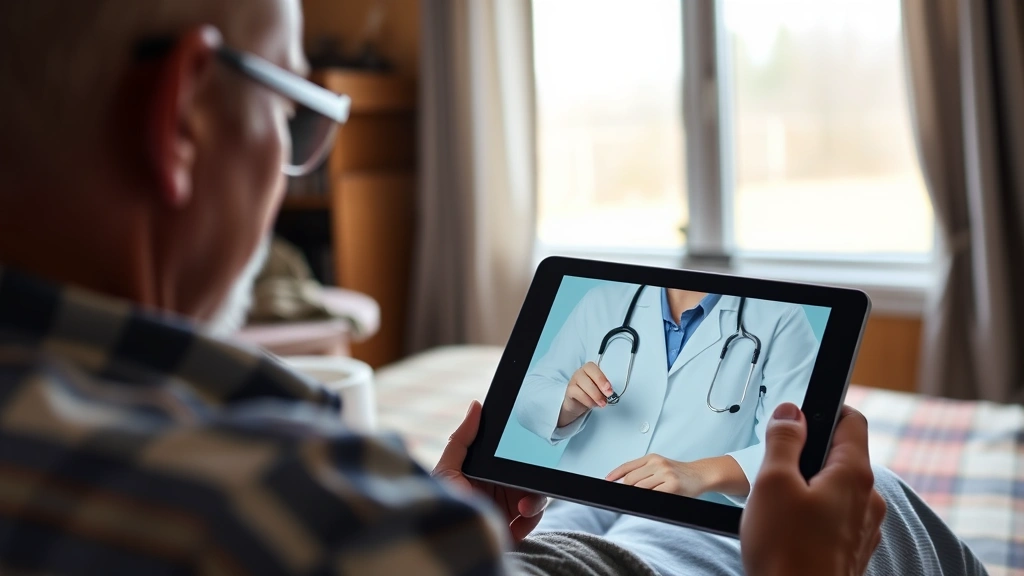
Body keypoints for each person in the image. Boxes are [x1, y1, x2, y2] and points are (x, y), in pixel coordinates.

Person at [0, 0, 986, 574]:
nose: (291, 167)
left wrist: (426, 514)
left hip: (529, 535)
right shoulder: (286, 509)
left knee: (590, 505)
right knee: (881, 501)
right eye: (297, 113)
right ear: (185, 121)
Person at [516, 283, 818, 504]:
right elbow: (529, 396)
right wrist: (567, 403)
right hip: (575, 508)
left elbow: (798, 448)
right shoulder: (604, 300)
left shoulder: (779, 316)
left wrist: (700, 473)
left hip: (685, 526)